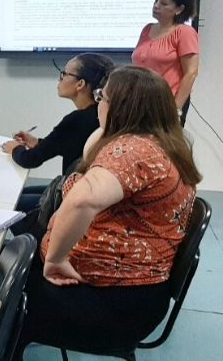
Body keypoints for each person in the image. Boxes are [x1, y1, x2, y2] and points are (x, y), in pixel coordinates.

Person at [16, 66, 201, 357]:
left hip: (111, 304)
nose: (98, 103)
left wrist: (55, 259)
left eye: (103, 97)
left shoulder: (133, 152)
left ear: (121, 108)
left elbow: (81, 201)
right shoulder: (164, 143)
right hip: (131, 292)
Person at [1, 53, 114, 213]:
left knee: (10, 201)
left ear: (80, 84)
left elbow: (30, 160)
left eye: (64, 74)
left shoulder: (75, 121)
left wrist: (14, 148)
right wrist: (37, 142)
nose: (59, 79)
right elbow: (65, 145)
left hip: (70, 200)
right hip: (83, 194)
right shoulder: (99, 115)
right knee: (21, 193)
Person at [132, 0, 199, 126]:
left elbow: (191, 72)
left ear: (179, 9)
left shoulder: (184, 32)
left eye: (164, 3)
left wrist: (176, 108)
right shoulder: (147, 29)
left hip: (167, 102)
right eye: (156, 1)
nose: (156, 6)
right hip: (140, 101)